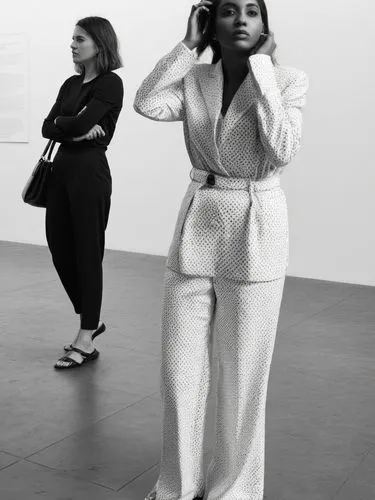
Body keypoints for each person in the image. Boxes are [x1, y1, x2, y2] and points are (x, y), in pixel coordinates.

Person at [134, 0, 308, 498]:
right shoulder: (197, 79)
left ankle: (234, 488)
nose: (241, 21)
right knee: (180, 369)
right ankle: (178, 485)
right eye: (228, 11)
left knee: (243, 373)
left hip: (255, 227)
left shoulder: (288, 79)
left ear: (264, 25)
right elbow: (147, 103)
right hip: (197, 226)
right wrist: (187, 46)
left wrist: (262, 70)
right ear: (214, 22)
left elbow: (283, 147)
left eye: (251, 12)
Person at [41, 16, 124, 369]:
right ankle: (91, 315)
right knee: (59, 246)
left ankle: (86, 335)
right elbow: (49, 125)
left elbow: (68, 123)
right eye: (72, 39)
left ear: (99, 44)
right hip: (61, 173)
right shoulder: (70, 84)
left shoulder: (110, 84)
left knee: (88, 253)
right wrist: (71, 129)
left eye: (80, 39)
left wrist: (69, 126)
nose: (72, 45)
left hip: (89, 175)